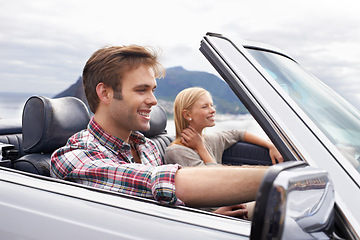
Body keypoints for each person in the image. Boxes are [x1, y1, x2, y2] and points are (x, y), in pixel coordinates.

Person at [50, 45, 270, 216]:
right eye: (141, 90)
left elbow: (168, 204)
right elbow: (160, 182)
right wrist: (278, 179)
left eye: (153, 90)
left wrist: (209, 214)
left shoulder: (146, 146)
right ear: (105, 93)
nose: (154, 101)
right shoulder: (74, 157)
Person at [164, 87, 284, 167]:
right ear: (187, 115)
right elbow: (215, 179)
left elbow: (238, 134)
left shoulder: (209, 140)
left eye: (211, 105)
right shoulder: (177, 151)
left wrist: (270, 145)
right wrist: (200, 147)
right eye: (205, 107)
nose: (213, 110)